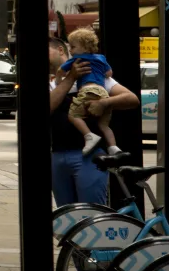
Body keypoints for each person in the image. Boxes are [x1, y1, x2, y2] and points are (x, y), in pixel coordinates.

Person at [50, 38, 139, 207]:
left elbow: (131, 99)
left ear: (61, 50)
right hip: (58, 153)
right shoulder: (54, 83)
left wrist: (104, 103)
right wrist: (70, 78)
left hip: (89, 157)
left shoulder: (94, 74)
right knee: (66, 214)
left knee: (92, 210)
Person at [60, 28, 120, 155]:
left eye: (73, 47)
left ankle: (89, 135)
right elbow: (109, 73)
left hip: (87, 90)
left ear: (85, 48)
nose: (70, 50)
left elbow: (61, 70)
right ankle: (113, 147)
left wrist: (59, 78)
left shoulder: (77, 59)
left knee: (73, 115)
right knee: (103, 125)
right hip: (103, 93)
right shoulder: (101, 58)